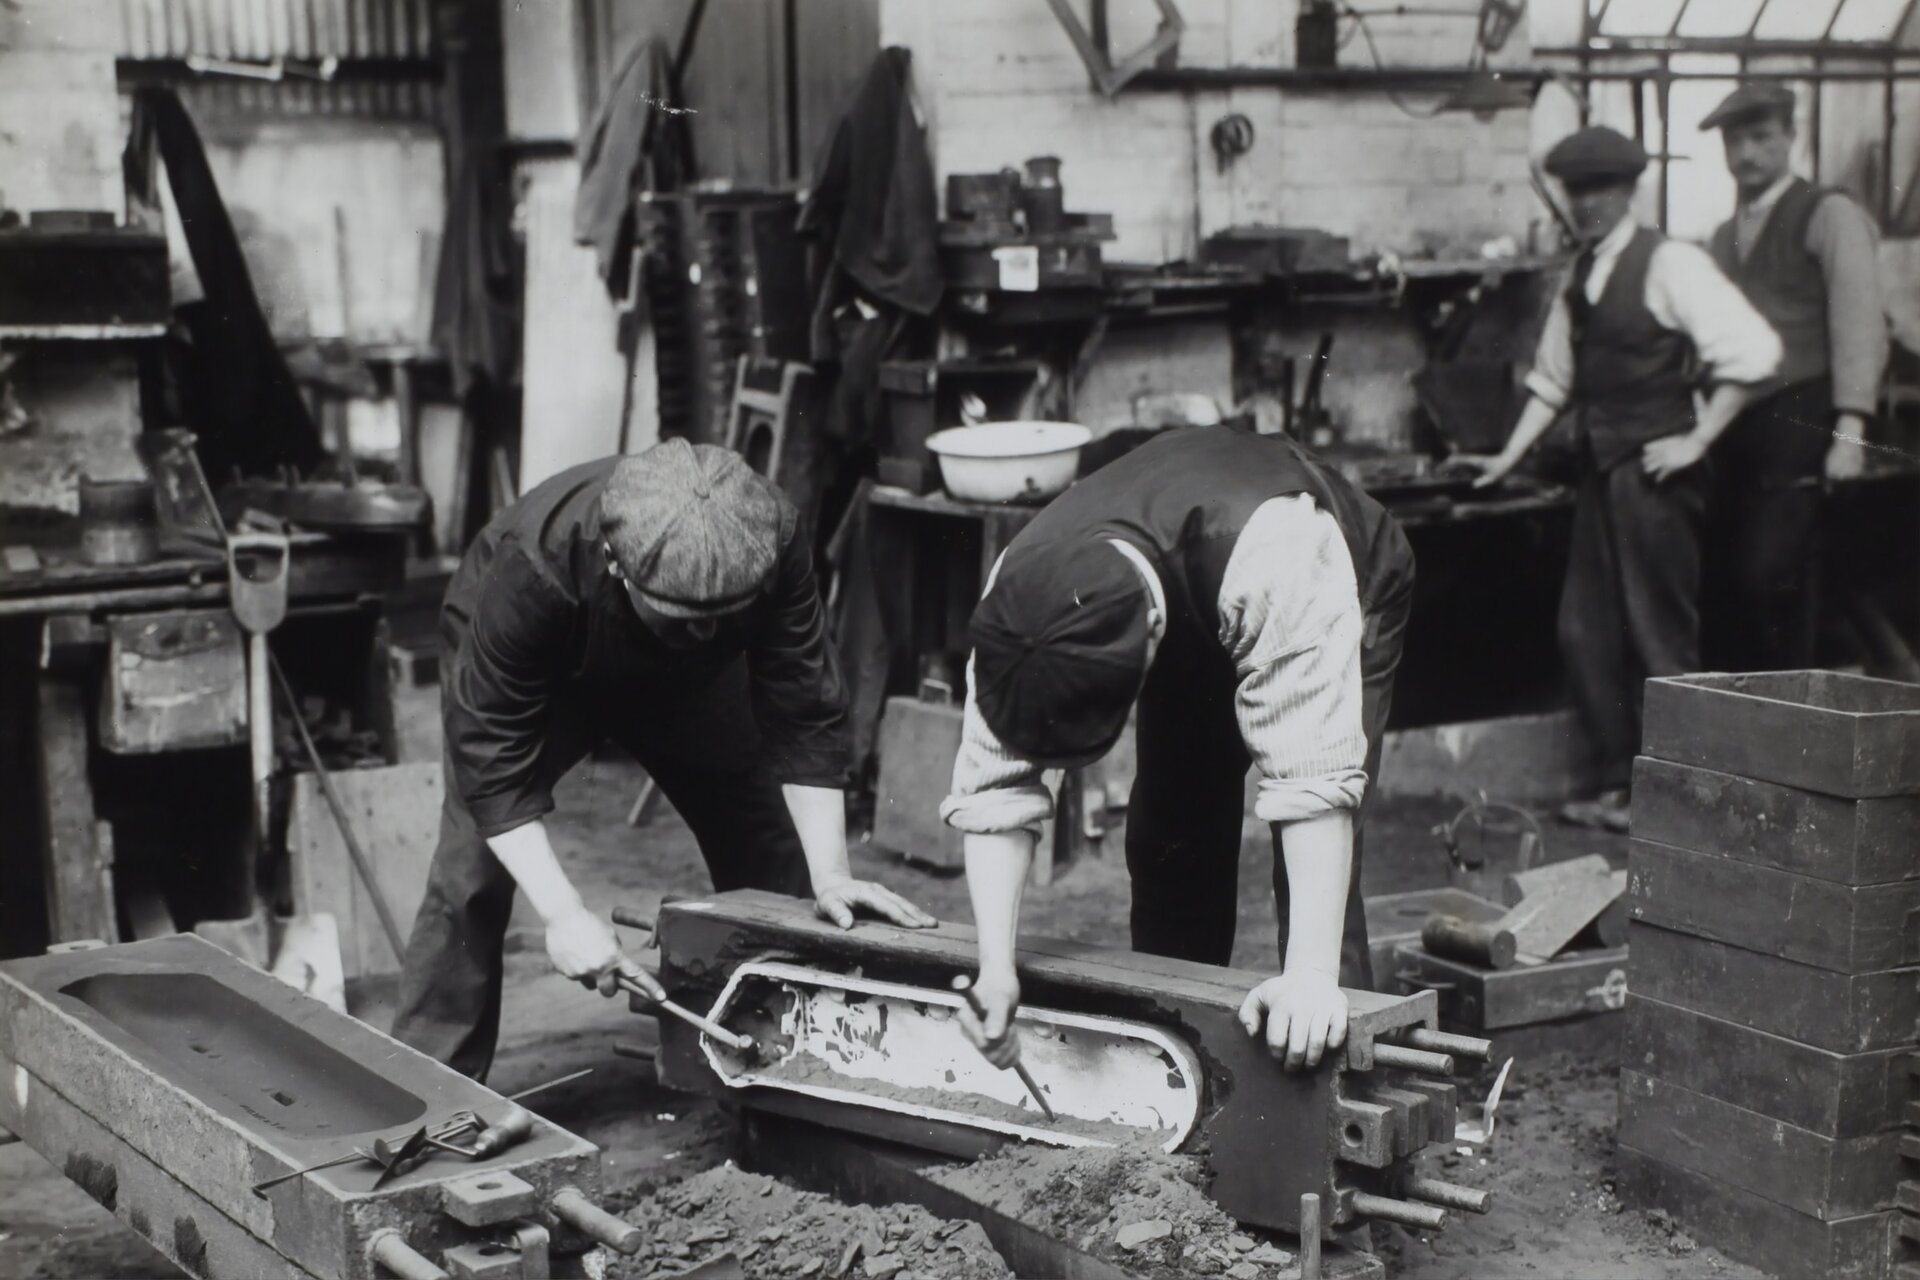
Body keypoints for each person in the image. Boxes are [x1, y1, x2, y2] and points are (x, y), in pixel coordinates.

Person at [393, 439, 934, 1081]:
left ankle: (787, 1058)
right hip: (544, 670)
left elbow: (804, 710)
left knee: (773, 842)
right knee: (471, 869)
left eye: (719, 618)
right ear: (617, 565)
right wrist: (563, 914)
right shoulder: (531, 570)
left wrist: (833, 873)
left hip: (693, 683)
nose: (703, 632)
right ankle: (430, 1090)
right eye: (684, 619)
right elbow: (492, 768)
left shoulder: (768, 537)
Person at [942, 422, 1415, 1074]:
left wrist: (1310, 976)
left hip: (1333, 577)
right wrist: (996, 971)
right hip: (1196, 583)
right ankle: (1175, 1062)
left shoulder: (1280, 553)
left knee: (1317, 889)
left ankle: (1341, 1077)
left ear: (1149, 635)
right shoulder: (1017, 601)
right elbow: (996, 789)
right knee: (1171, 833)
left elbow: (1314, 784)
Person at [1462, 126, 1782, 832]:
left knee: (1658, 637)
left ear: (1629, 190)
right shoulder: (1580, 275)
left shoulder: (1669, 262)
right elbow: (1553, 381)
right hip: (1601, 473)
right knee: (1585, 632)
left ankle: (1681, 797)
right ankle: (1618, 786)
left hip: (1656, 479)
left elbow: (1757, 353)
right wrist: (1506, 459)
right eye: (1576, 190)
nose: (1586, 203)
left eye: (1600, 189)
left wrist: (1697, 438)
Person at [1701, 83, 1889, 670]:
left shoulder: (1829, 213)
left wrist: (1850, 434)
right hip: (1739, 424)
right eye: (1735, 141)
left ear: (1791, 136)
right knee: (1731, 578)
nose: (1747, 154)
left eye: (1761, 138)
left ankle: (1798, 706)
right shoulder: (1722, 236)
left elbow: (1859, 323)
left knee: (1773, 575)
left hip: (1805, 416)